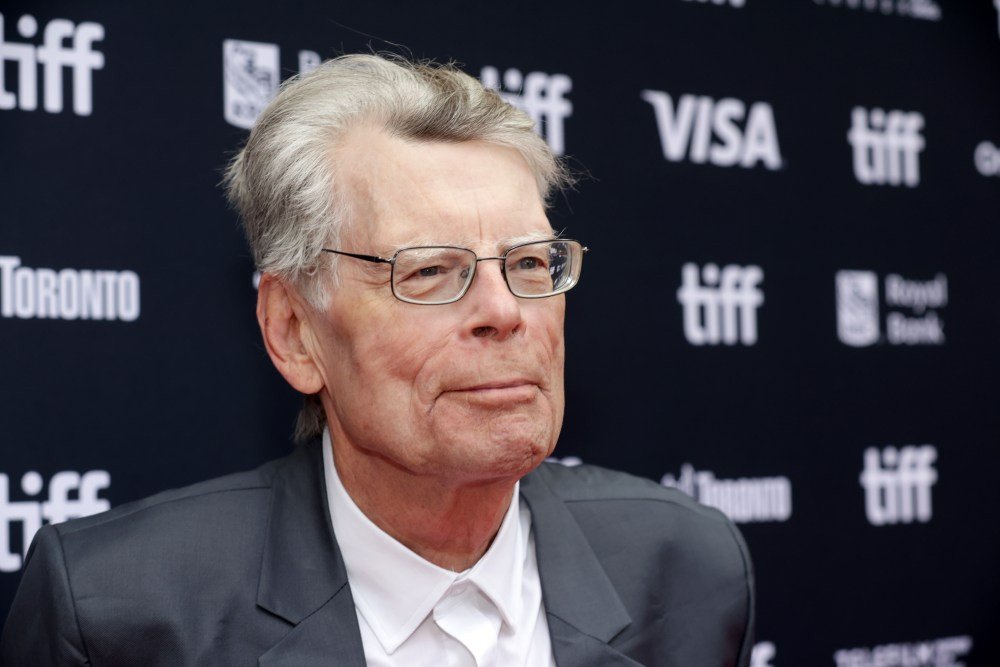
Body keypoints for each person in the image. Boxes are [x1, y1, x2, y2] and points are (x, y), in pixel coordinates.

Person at [2, 54, 754, 666]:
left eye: (529, 263)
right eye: (428, 270)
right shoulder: (117, 616)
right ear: (294, 329)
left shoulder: (687, 566)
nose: (504, 310)